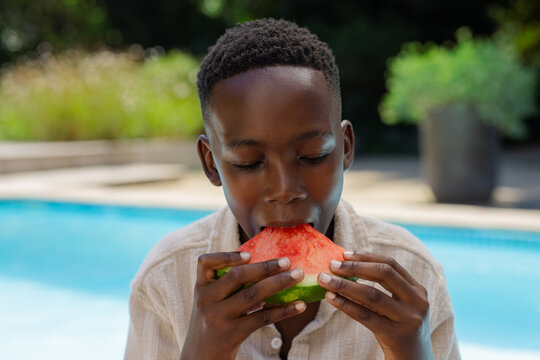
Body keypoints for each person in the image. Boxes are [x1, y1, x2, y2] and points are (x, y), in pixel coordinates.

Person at [124, 18, 460, 360]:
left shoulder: (414, 275)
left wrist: (413, 354)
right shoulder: (166, 280)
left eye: (313, 156)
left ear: (345, 148)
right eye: (248, 162)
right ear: (212, 164)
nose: (284, 190)